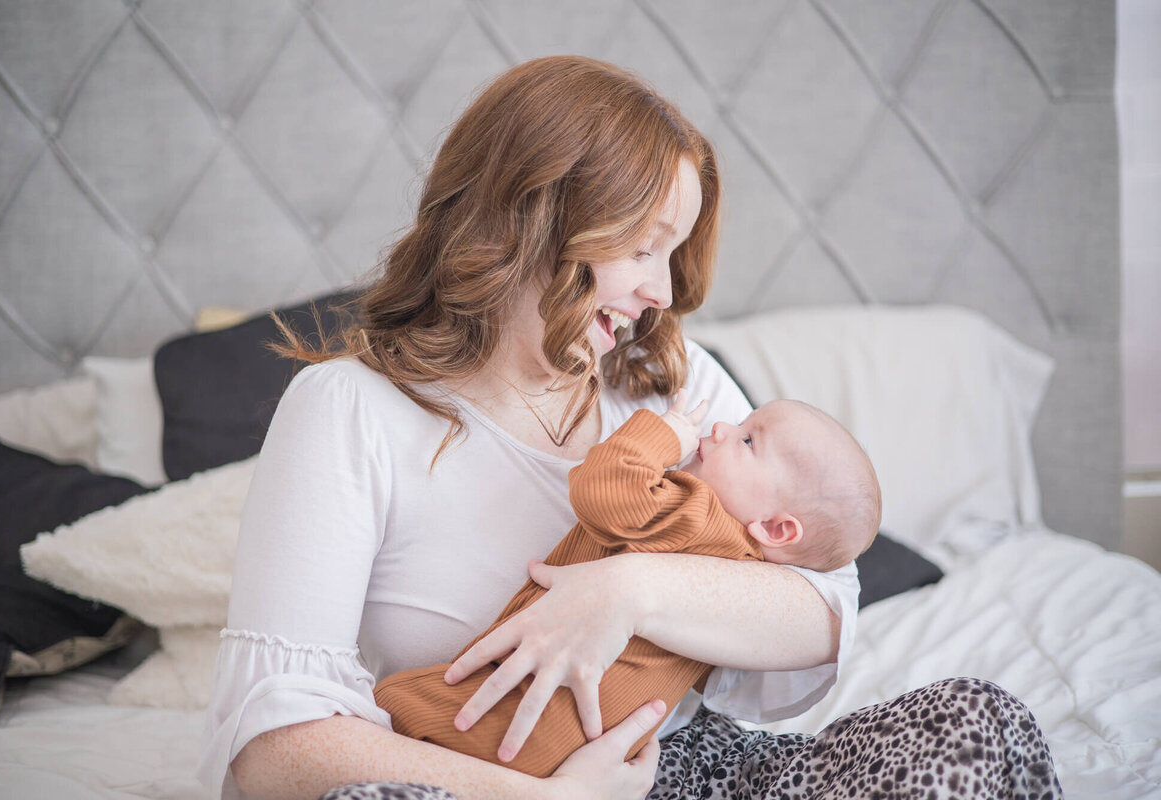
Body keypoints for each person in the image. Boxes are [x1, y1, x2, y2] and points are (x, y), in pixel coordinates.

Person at [198, 56, 1062, 800]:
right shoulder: (349, 409)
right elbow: (273, 746)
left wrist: (628, 591)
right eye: (644, 247)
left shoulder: (669, 382)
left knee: (976, 723)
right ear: (534, 218)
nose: (663, 291)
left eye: (673, 252)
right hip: (479, 779)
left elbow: (822, 607)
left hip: (684, 768)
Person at [373, 392, 882, 778]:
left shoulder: (696, 513)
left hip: (519, 721)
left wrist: (664, 435)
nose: (723, 425)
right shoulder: (748, 578)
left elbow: (604, 487)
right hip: (593, 751)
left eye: (748, 440)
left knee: (384, 710)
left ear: (775, 529)